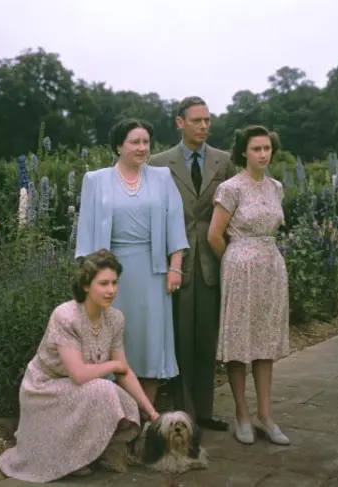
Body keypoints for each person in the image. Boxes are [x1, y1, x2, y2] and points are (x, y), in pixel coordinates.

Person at [0, 249, 160, 483]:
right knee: (104, 391)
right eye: (103, 283)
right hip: (45, 389)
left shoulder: (114, 319)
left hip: (79, 389)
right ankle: (71, 457)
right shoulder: (65, 316)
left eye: (114, 283)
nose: (111, 290)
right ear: (85, 285)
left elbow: (123, 371)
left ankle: (91, 453)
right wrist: (113, 364)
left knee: (123, 400)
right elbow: (80, 374)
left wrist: (151, 412)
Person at [74, 118, 189, 415]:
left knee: (148, 344)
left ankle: (143, 417)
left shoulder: (162, 177)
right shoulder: (96, 180)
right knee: (112, 341)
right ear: (118, 146)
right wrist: (93, 279)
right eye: (134, 142)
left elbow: (175, 222)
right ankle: (114, 417)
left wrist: (175, 267)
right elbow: (86, 230)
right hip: (110, 275)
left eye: (145, 142)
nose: (141, 148)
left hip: (152, 273)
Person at [148, 96, 235, 432]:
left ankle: (205, 410)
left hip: (212, 260)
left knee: (206, 337)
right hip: (175, 260)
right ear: (179, 122)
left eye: (207, 120)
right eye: (196, 120)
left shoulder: (223, 162)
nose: (203, 126)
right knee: (180, 337)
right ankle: (184, 412)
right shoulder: (158, 163)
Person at [207, 125, 290, 446]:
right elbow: (214, 234)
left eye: (267, 148)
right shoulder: (231, 188)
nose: (263, 154)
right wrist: (235, 259)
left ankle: (266, 416)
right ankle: (242, 413)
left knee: (265, 343)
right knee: (240, 344)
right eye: (256, 149)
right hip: (240, 270)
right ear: (244, 151)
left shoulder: (276, 187)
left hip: (271, 267)